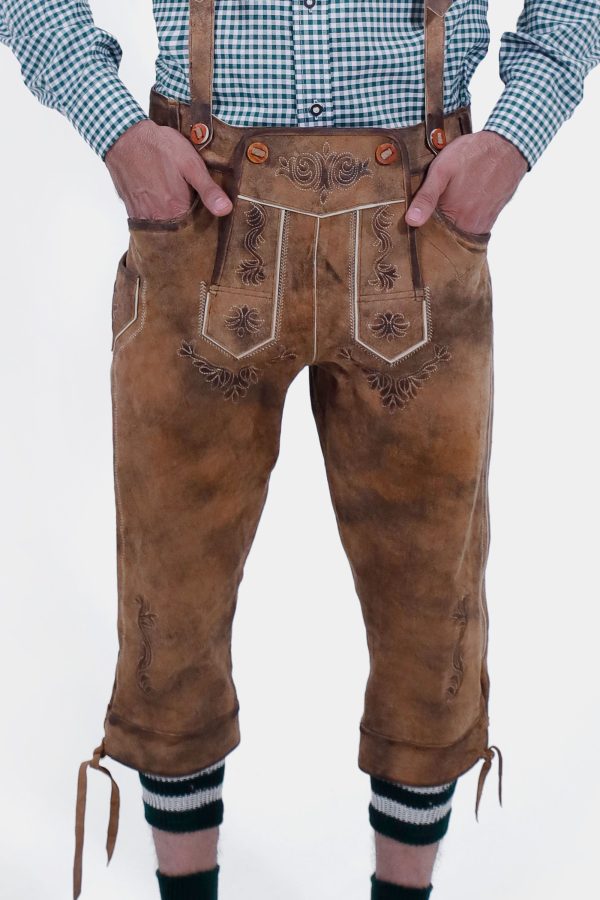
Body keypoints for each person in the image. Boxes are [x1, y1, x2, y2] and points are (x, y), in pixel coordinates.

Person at [2, 2, 599, 899]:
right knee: (171, 601)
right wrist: (113, 125)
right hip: (201, 214)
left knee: (430, 611)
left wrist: (514, 139)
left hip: (418, 218)